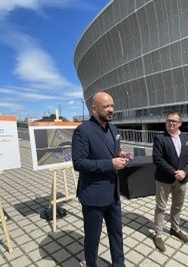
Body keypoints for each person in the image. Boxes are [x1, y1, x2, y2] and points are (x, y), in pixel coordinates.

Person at [72, 91, 132, 267]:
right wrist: (110, 164)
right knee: (92, 238)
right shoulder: (82, 131)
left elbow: (111, 152)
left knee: (117, 234)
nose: (111, 110)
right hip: (93, 196)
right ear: (94, 109)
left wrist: (121, 154)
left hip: (113, 194)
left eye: (112, 106)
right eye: (106, 106)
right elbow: (79, 163)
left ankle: (119, 264)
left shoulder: (114, 129)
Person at [152, 112, 188, 252]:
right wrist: (174, 172)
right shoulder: (160, 138)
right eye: (168, 121)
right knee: (161, 207)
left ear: (180, 123)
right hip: (164, 179)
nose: (171, 123)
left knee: (177, 205)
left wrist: (185, 172)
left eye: (174, 121)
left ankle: (175, 229)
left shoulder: (186, 138)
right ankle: (158, 235)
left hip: (182, 179)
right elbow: (157, 159)